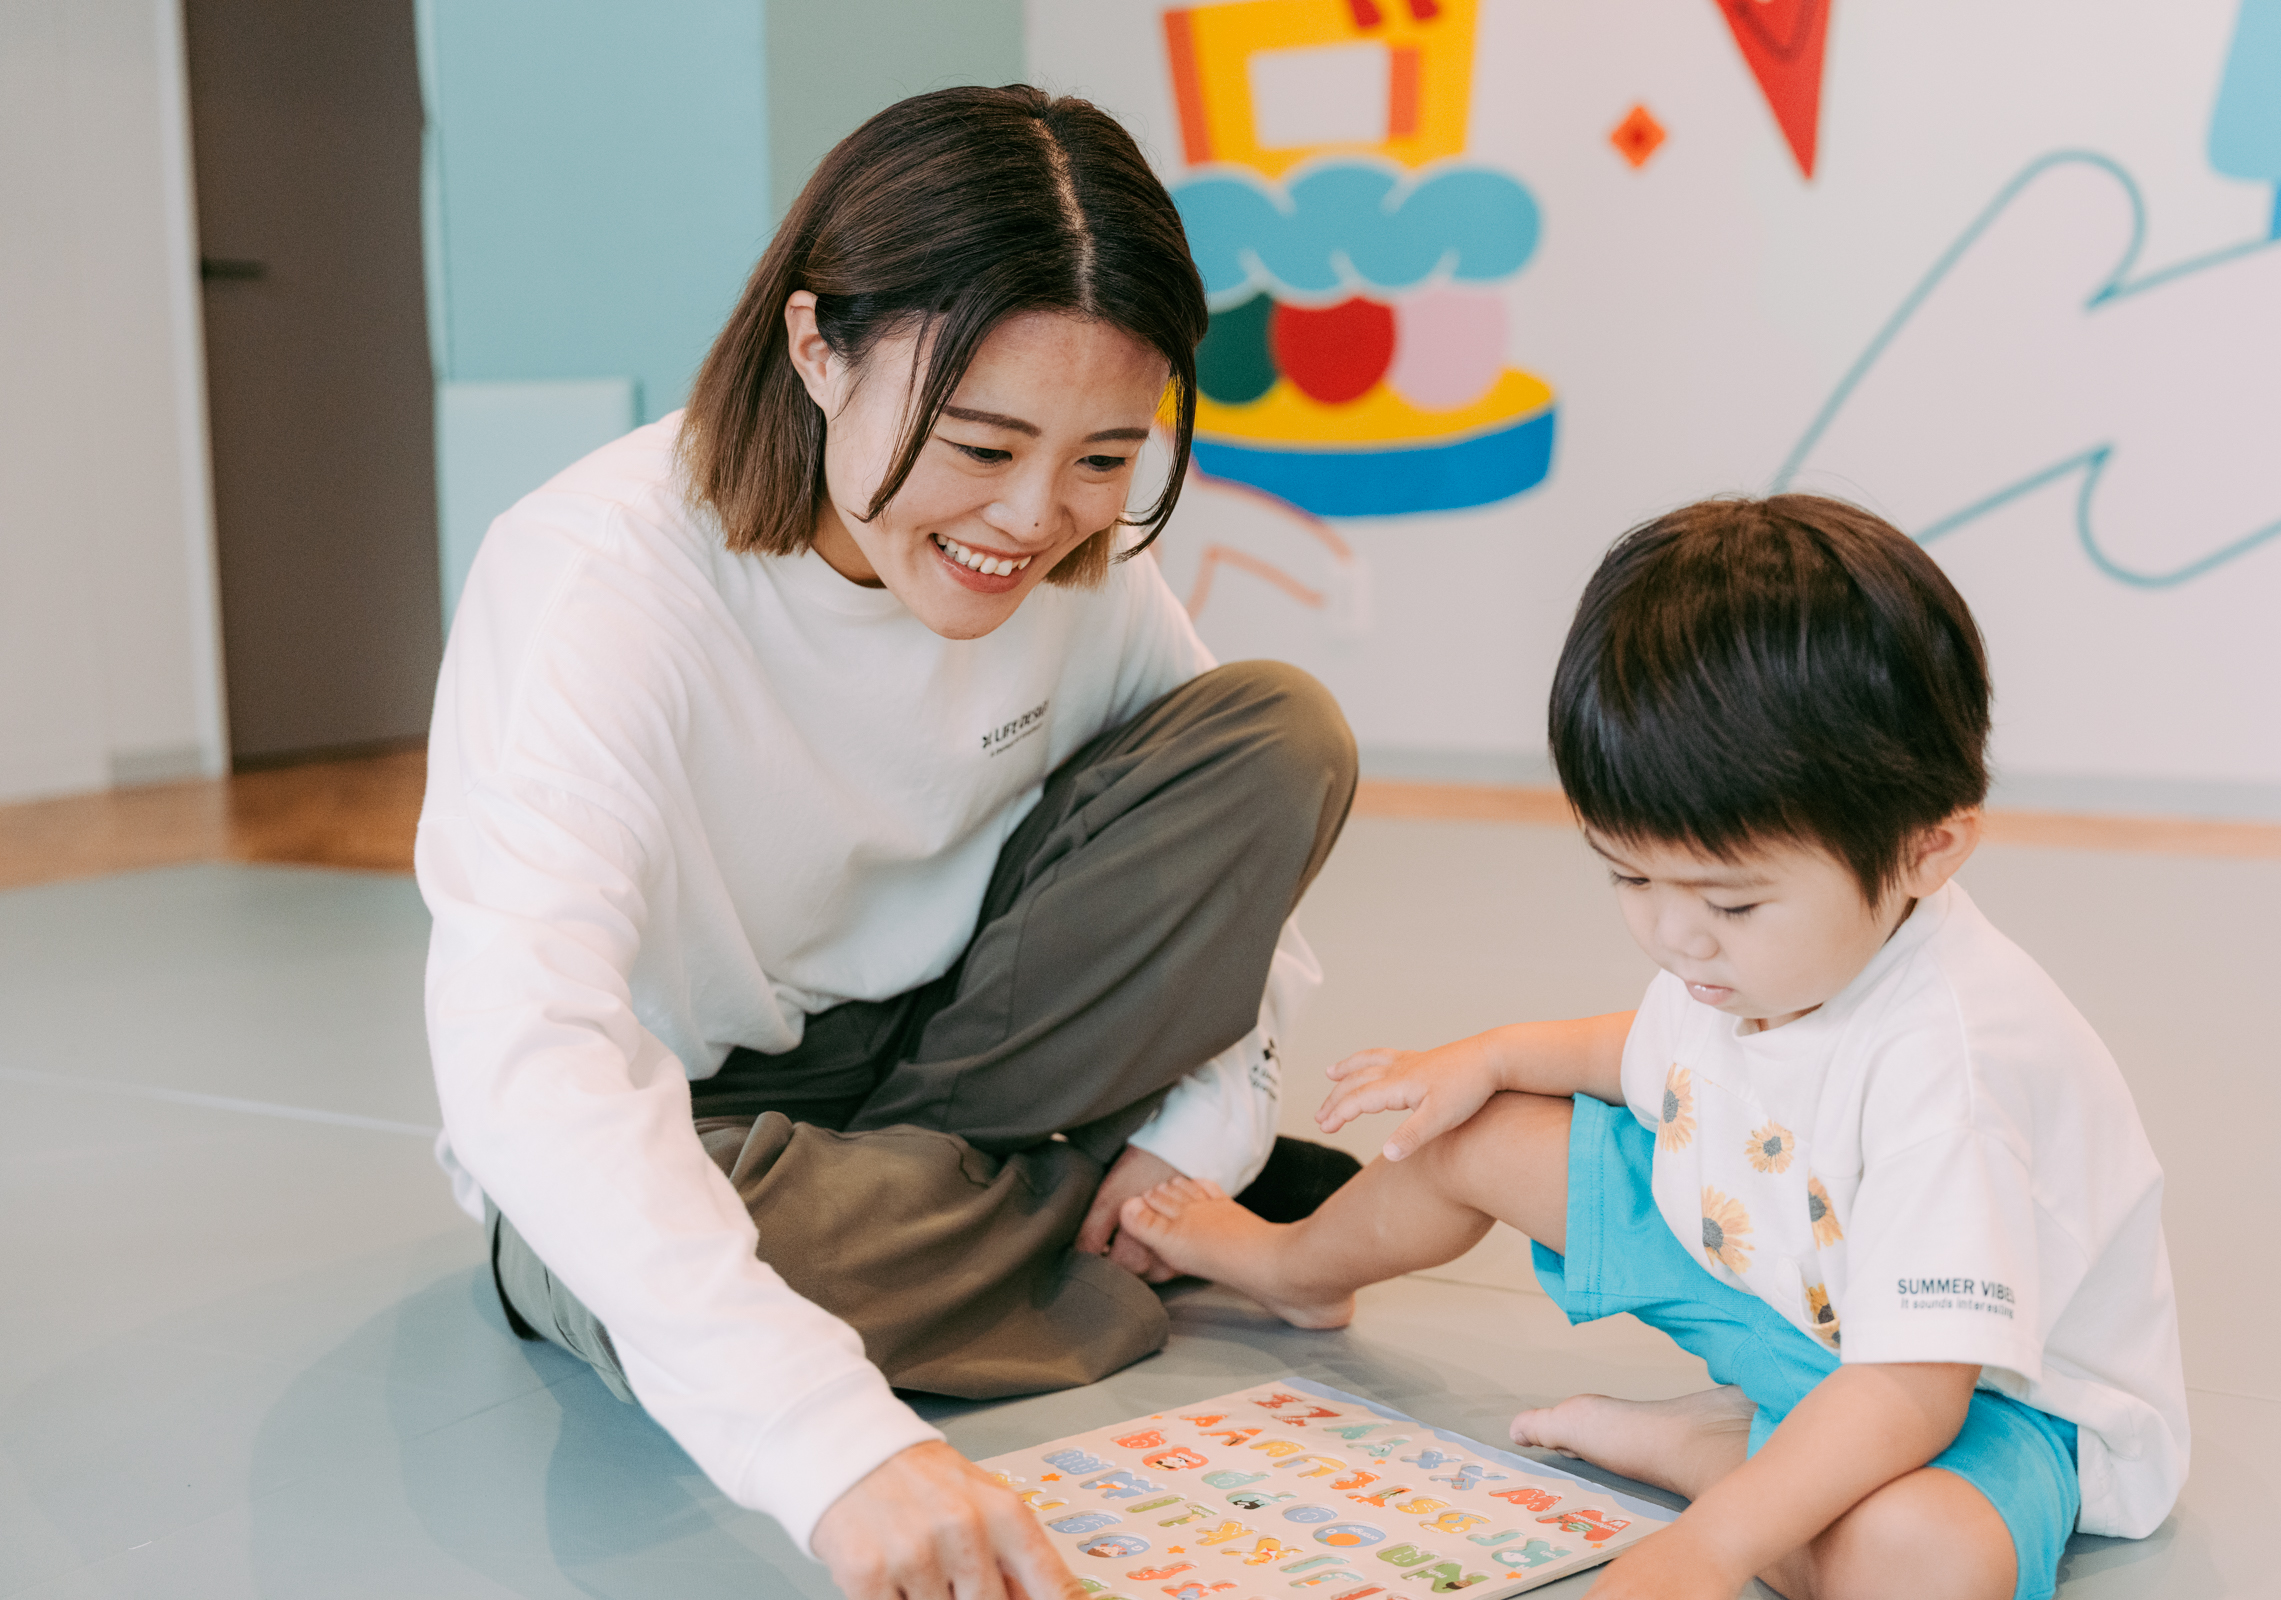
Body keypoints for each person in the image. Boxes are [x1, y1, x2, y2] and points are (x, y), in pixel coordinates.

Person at [416, 87, 1358, 1596]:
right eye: (980, 444)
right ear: (816, 347)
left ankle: (1049, 1214)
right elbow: (530, 1053)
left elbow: (1241, 896)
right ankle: (1103, 1232)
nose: (1032, 518)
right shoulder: (601, 579)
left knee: (1279, 731)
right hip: (705, 1118)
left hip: (958, 1047)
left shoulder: (1079, 565)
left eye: (1105, 458)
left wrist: (1199, 1138)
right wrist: (833, 1445)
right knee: (658, 1245)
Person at [1120, 496, 2189, 1600]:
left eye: (1729, 900)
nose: (1675, 937)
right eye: (1630, 875)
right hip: (1784, 1289)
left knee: (1921, 1562)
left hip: (1975, 1398)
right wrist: (1495, 1056)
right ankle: (1288, 1268)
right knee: (1475, 1132)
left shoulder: (1954, 1068)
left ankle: (1705, 1458)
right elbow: (1667, 1052)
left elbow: (1914, 1389)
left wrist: (1709, 1546)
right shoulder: (1767, 952)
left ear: (1929, 849)